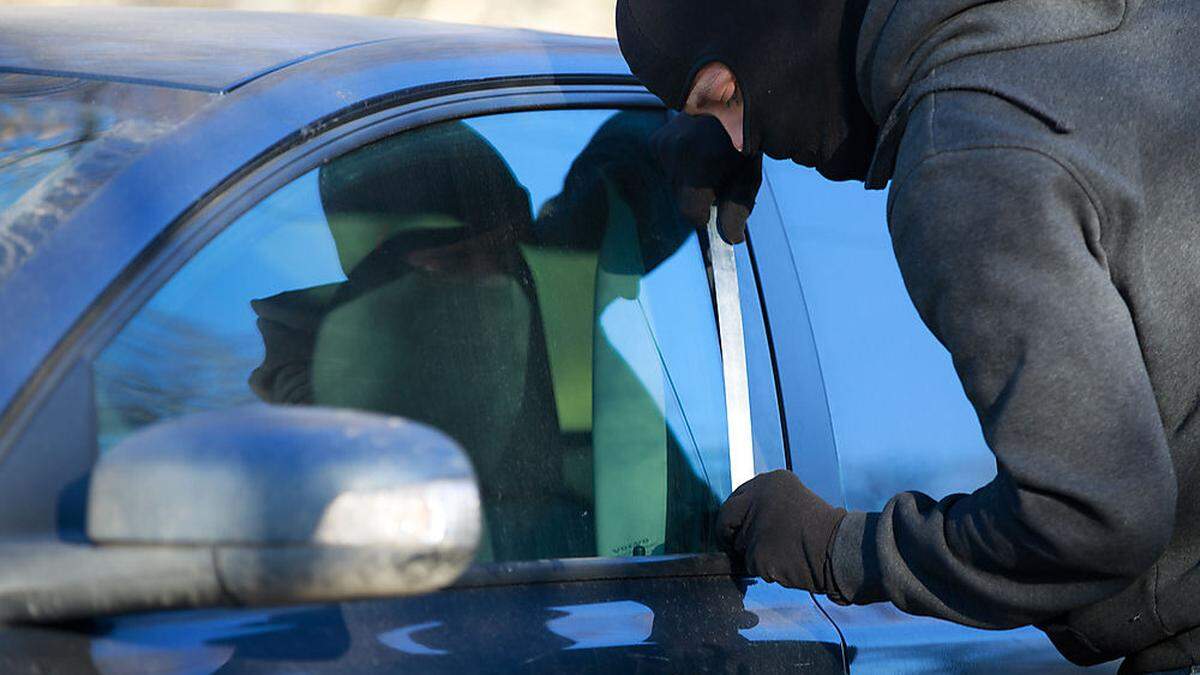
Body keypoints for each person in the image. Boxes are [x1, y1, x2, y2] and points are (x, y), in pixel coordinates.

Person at [615, 1, 1200, 672]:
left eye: (722, 96)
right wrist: (730, 114)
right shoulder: (1115, 25)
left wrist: (838, 547)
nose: (745, 138)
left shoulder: (964, 162)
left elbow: (1093, 517)